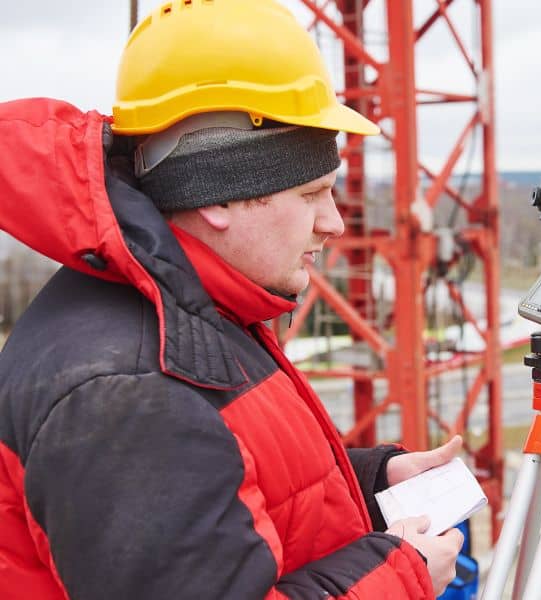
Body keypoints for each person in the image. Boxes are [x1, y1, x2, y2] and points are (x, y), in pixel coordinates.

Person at [0, 0, 465, 598]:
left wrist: (372, 484)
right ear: (216, 195)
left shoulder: (193, 309)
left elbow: (219, 493)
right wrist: (405, 576)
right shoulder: (132, 391)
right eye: (310, 194)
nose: (334, 223)